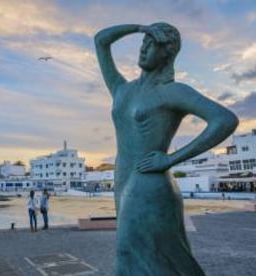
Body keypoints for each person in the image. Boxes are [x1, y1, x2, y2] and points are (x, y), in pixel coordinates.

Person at [95, 22, 238, 275]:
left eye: (152, 45)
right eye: (143, 43)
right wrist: (141, 28)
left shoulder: (172, 92)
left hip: (149, 182)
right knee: (139, 255)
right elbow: (101, 41)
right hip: (123, 179)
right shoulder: (122, 89)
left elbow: (225, 120)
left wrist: (171, 159)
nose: (144, 49)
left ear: (167, 53)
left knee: (140, 253)